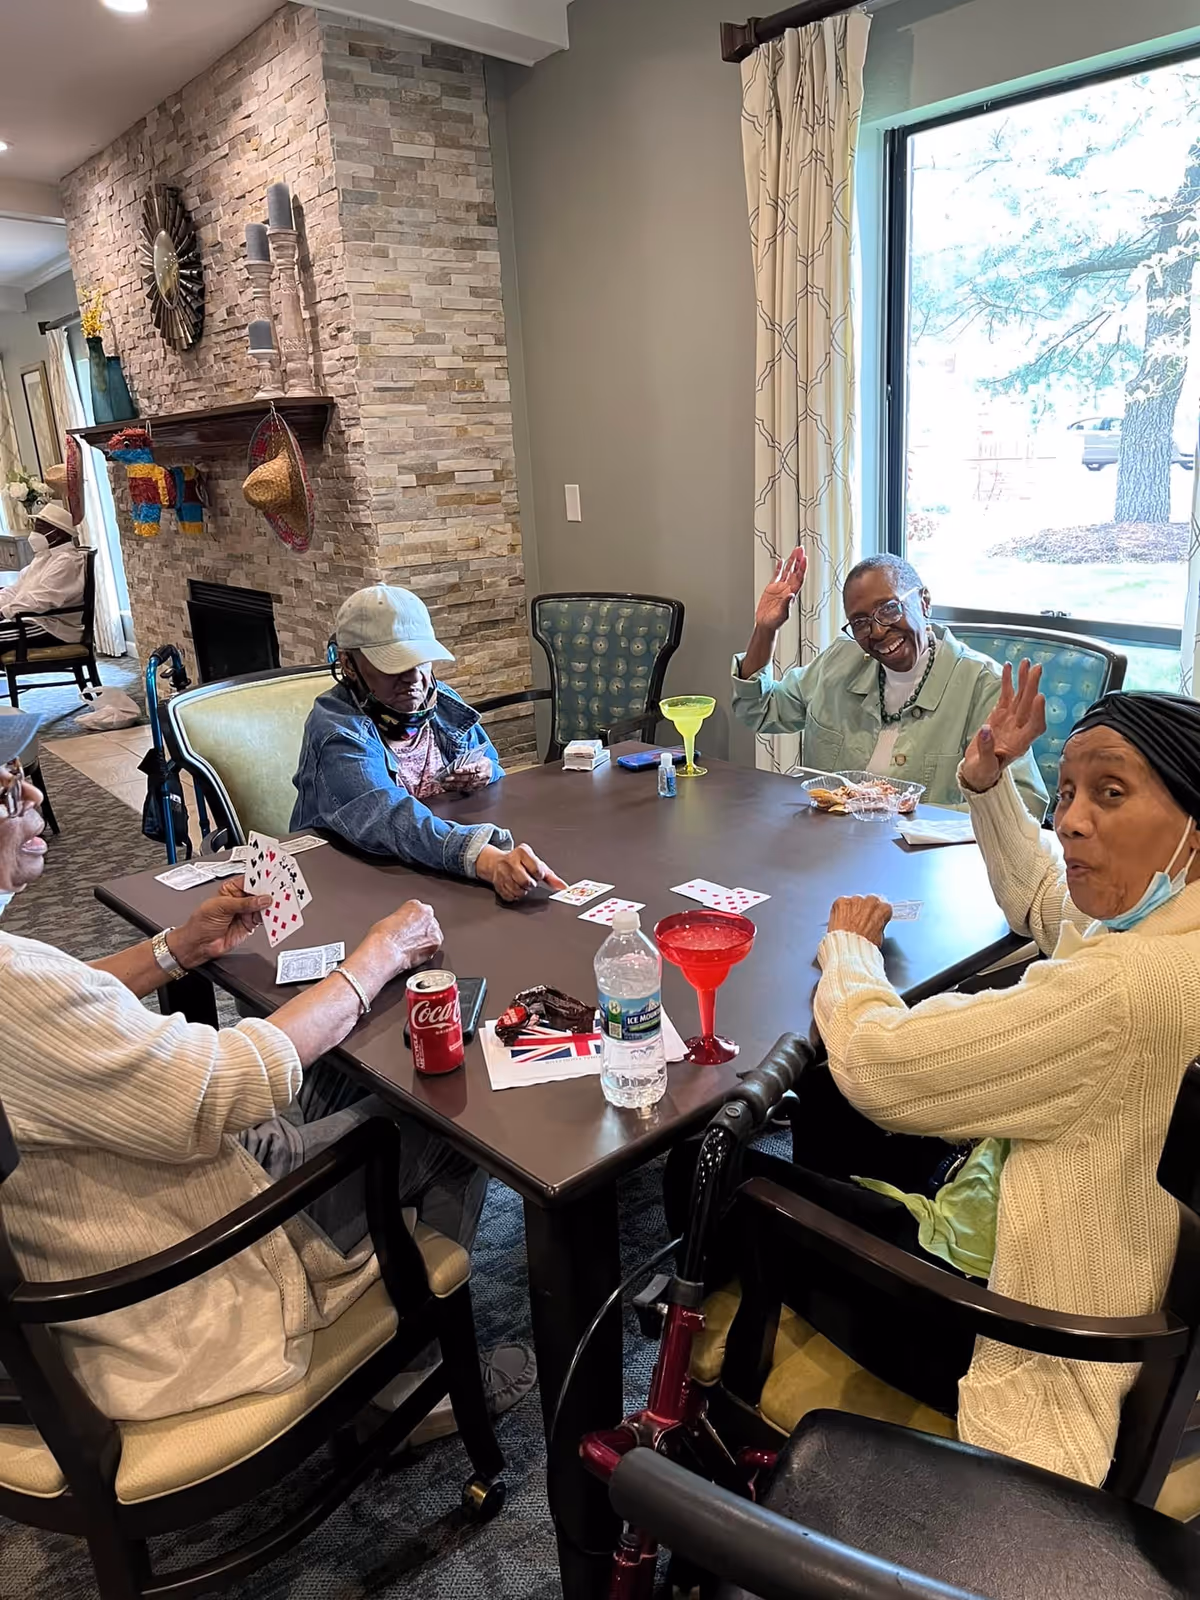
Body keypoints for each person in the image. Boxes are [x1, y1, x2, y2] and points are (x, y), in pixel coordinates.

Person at [672, 668, 1200, 1488]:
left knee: (708, 1166)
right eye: (1065, 794)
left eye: (1110, 793)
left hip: (1032, 1332)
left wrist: (849, 951)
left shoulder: (1125, 989)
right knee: (827, 1100)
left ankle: (707, 1416)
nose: (1069, 822)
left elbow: (881, 1065)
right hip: (1107, 1255)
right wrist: (989, 782)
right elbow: (1044, 901)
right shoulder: (1169, 926)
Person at [0, 711, 532, 1427]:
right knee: (449, 1104)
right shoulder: (11, 985)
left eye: (21, 777)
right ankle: (414, 1380)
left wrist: (176, 949)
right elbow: (225, 1085)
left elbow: (62, 1006)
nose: (33, 795)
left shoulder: (16, 978)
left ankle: (390, 1272)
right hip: (197, 1258)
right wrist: (375, 959)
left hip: (133, 1196)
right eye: (6, 792)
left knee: (342, 1066)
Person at [292, 584, 567, 902]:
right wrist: (486, 860)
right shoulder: (336, 729)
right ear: (349, 665)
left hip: (434, 871)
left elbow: (494, 767)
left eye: (421, 660)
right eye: (393, 664)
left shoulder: (442, 699)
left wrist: (485, 771)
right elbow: (387, 818)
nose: (413, 677)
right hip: (349, 882)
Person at [730, 549, 1048, 818]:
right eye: (860, 623)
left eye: (889, 609)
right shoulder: (839, 662)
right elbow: (759, 710)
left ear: (924, 601)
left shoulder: (983, 686)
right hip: (828, 848)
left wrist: (905, 813)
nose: (878, 631)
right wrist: (766, 630)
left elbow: (1025, 806)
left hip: (925, 862)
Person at [0, 502, 86, 646]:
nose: (34, 533)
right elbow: (16, 590)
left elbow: (41, 599)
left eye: (39, 529)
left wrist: (5, 612)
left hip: (51, 626)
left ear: (57, 533)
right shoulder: (43, 557)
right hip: (30, 620)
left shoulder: (67, 562)